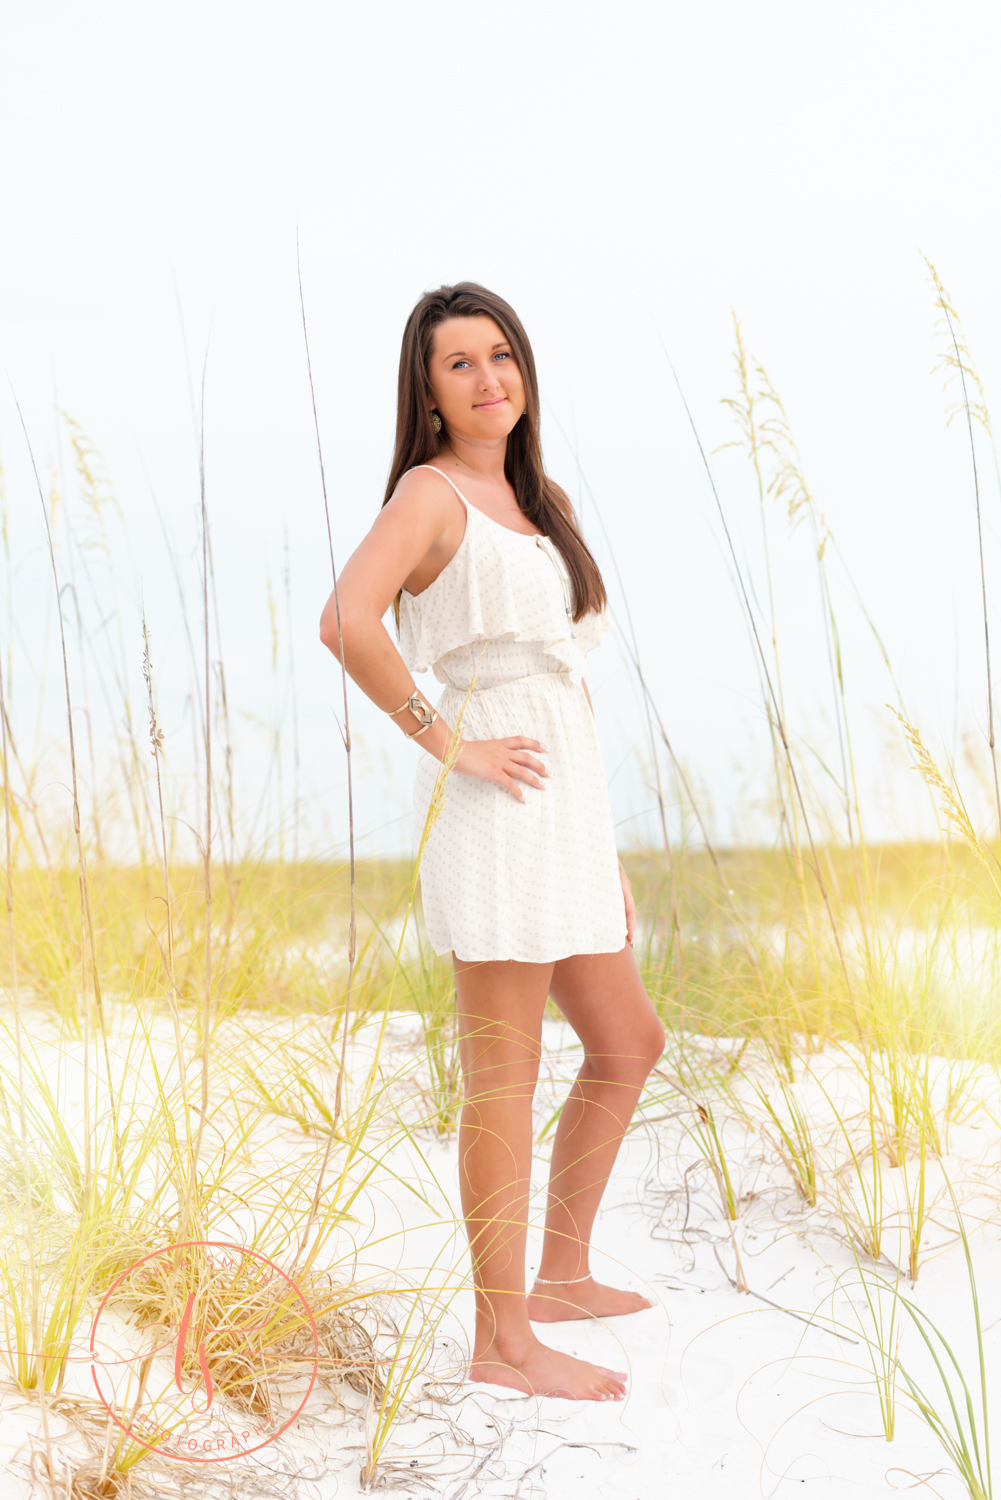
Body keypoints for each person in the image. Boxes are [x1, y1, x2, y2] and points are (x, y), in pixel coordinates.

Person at [320, 283, 665, 1402]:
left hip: (560, 814)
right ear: (425, 391)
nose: (487, 379)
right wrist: (444, 741)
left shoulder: (538, 498)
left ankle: (558, 1275)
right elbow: (345, 621)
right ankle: (500, 1340)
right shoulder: (428, 495)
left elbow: (564, 681)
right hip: (497, 813)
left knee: (628, 1043)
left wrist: (597, 850)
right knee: (501, 1083)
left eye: (500, 354)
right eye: (458, 362)